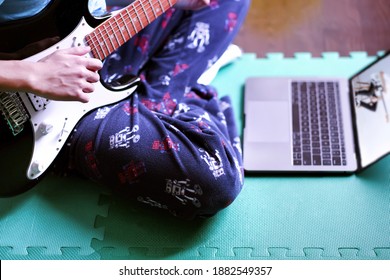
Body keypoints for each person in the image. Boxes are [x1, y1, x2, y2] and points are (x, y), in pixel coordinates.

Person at [0, 0, 251, 219]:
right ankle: (180, 88)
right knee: (217, 183)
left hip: (94, 40)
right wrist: (34, 74)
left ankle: (153, 105)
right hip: (41, 112)